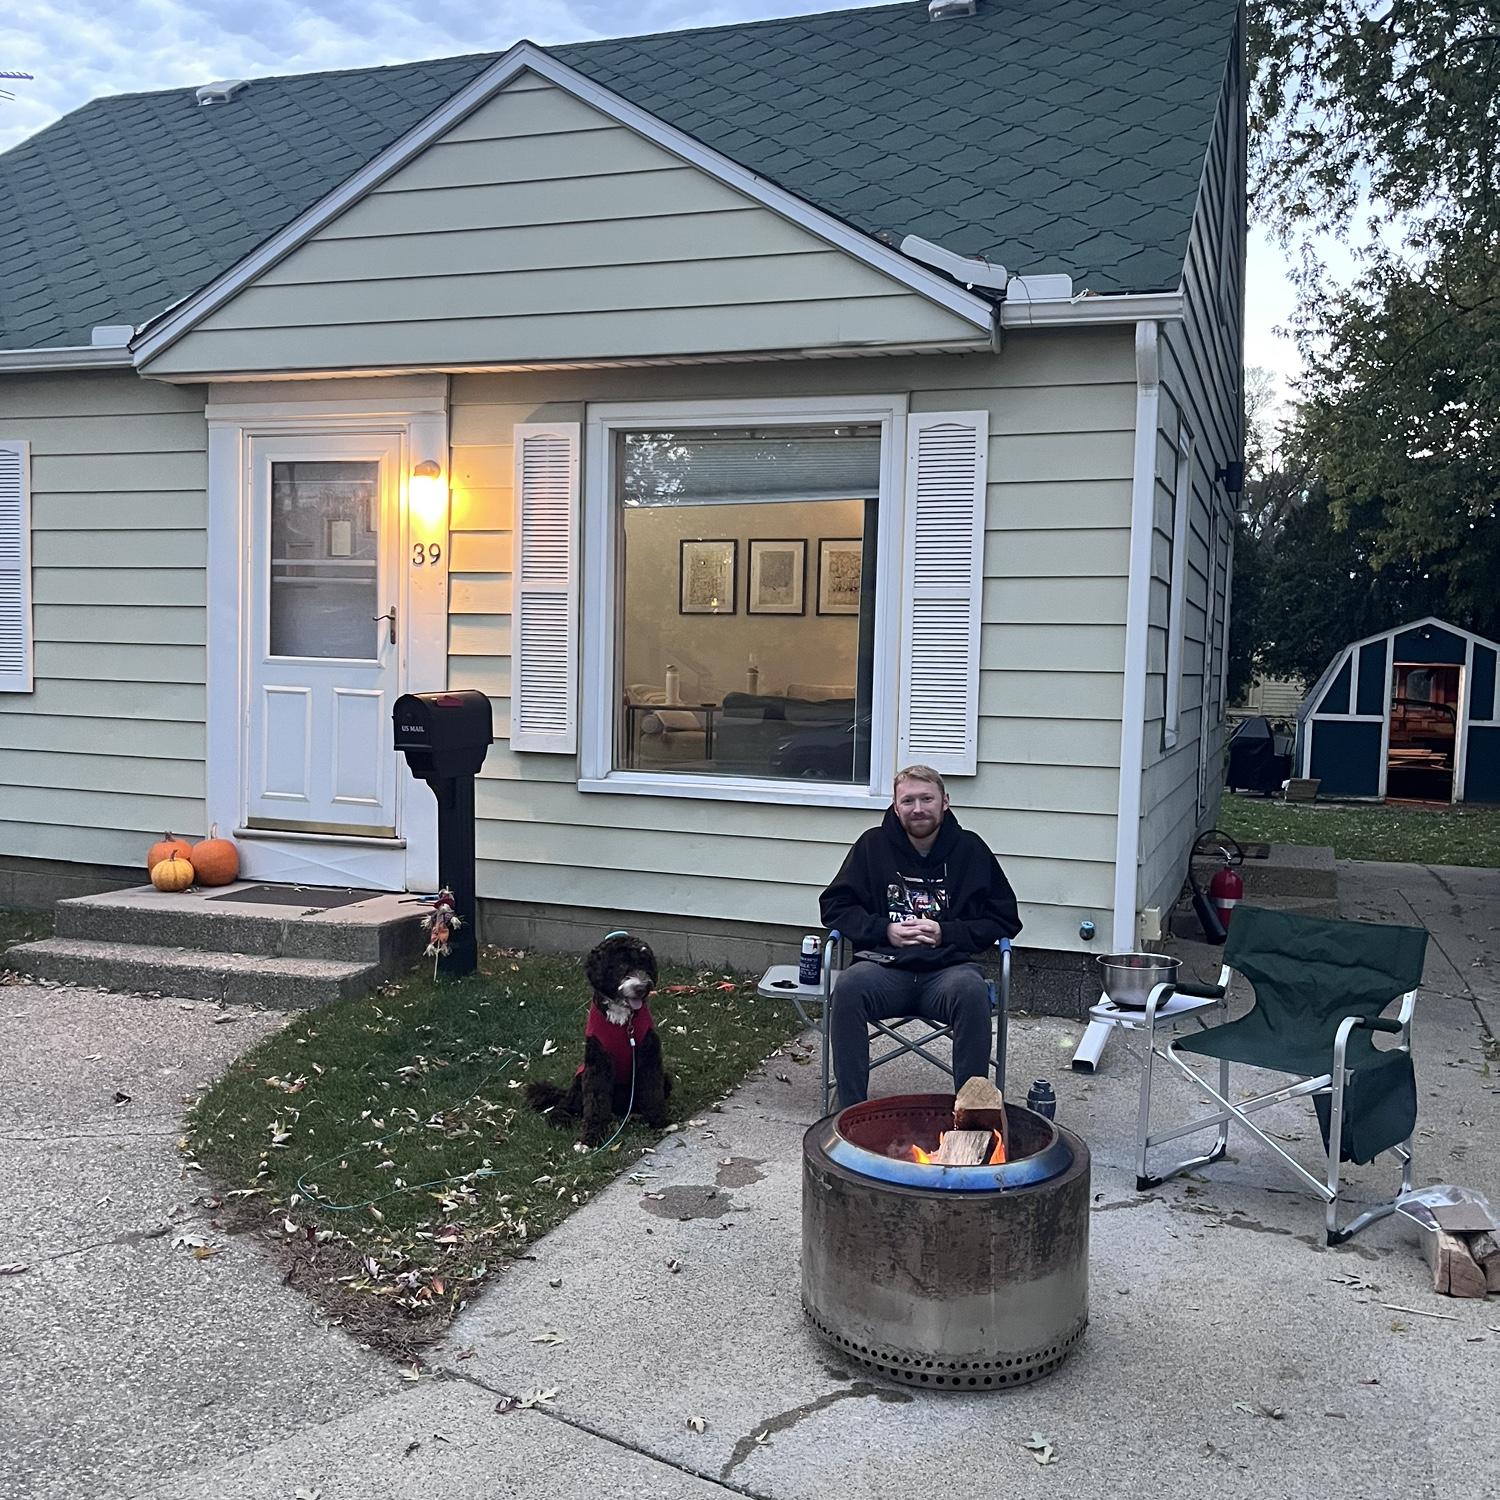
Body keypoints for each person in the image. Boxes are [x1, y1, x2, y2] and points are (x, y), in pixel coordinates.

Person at [818, 764, 1022, 1107]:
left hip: (947, 971)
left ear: (945, 801)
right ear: (896, 807)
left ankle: (973, 1112)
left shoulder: (971, 850)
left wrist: (946, 933)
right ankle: (848, 1111)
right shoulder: (872, 846)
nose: (917, 809)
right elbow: (834, 906)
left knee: (972, 991)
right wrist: (885, 930)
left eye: (926, 799)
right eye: (908, 800)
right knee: (849, 986)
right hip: (882, 967)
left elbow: (1004, 918)